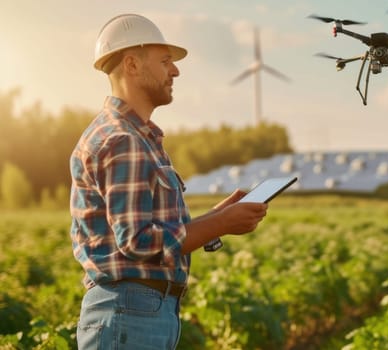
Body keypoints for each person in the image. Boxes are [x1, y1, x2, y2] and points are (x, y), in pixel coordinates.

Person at [69, 14, 268, 349]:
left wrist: (216, 220)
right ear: (131, 64)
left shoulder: (136, 137)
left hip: (139, 313)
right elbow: (138, 242)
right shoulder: (123, 140)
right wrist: (220, 222)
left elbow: (149, 231)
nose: (175, 71)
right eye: (165, 62)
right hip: (129, 315)